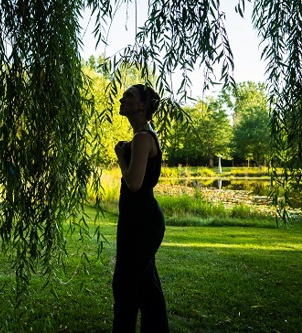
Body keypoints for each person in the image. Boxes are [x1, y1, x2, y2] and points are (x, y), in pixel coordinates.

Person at [112, 84, 169, 332]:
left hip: (141, 223)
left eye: (129, 96)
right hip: (139, 220)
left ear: (143, 105)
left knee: (125, 286)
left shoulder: (143, 138)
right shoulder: (143, 136)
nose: (122, 99)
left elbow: (134, 184)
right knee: (147, 287)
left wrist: (121, 158)